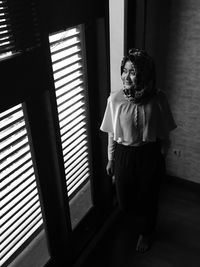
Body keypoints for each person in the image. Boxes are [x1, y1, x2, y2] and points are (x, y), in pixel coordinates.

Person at [100, 48, 177, 253]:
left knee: (149, 198)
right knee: (125, 201)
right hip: (124, 154)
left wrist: (162, 155)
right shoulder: (114, 99)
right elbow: (111, 132)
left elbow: (165, 132)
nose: (126, 76)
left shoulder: (158, 98)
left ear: (145, 73)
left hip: (150, 154)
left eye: (133, 72)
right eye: (124, 70)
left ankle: (146, 232)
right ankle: (138, 222)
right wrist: (111, 159)